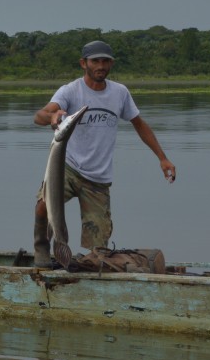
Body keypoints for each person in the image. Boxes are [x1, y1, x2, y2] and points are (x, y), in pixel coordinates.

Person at [32, 40, 176, 267]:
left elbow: (139, 124)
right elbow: (39, 115)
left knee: (99, 251)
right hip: (67, 168)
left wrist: (163, 158)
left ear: (111, 64)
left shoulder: (120, 93)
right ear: (84, 63)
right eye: (95, 61)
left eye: (105, 61)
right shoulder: (70, 91)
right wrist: (52, 117)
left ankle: (82, 266)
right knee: (43, 204)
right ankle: (41, 248)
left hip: (98, 178)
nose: (101, 66)